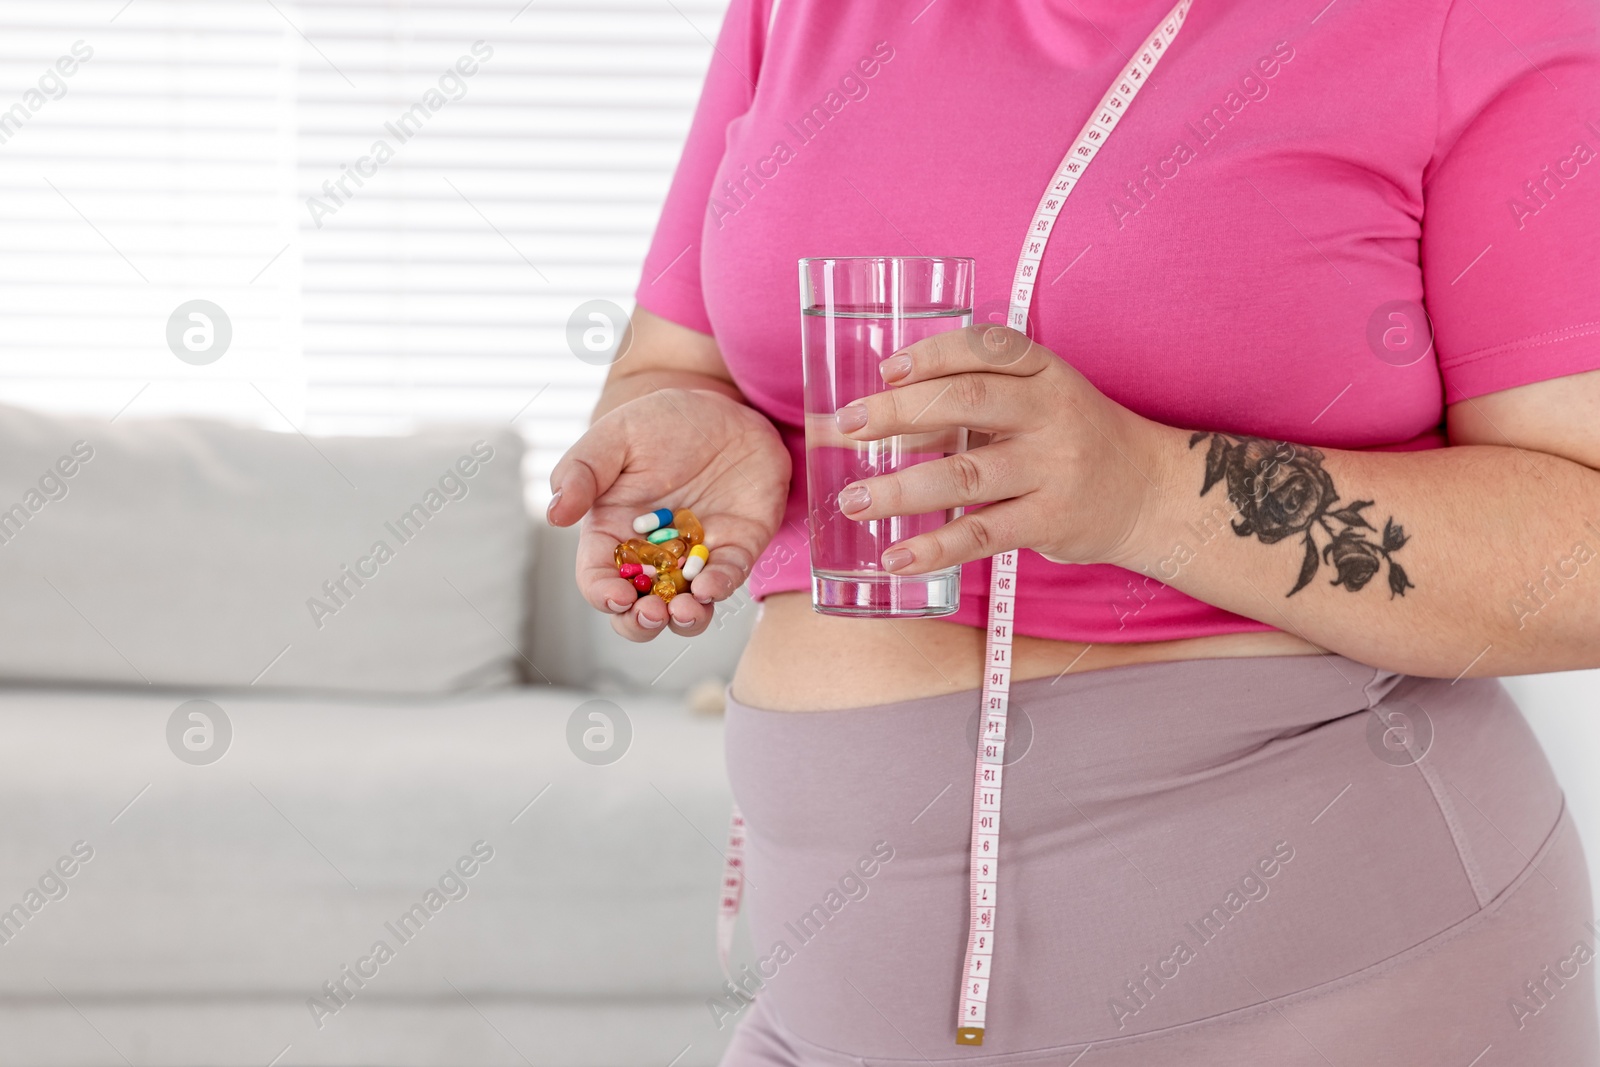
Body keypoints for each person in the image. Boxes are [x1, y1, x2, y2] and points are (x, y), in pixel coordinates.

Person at [547, 0, 1600, 1062]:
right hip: (829, 995)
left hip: (1320, 991)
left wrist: (1147, 489)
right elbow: (672, 362)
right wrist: (695, 429)